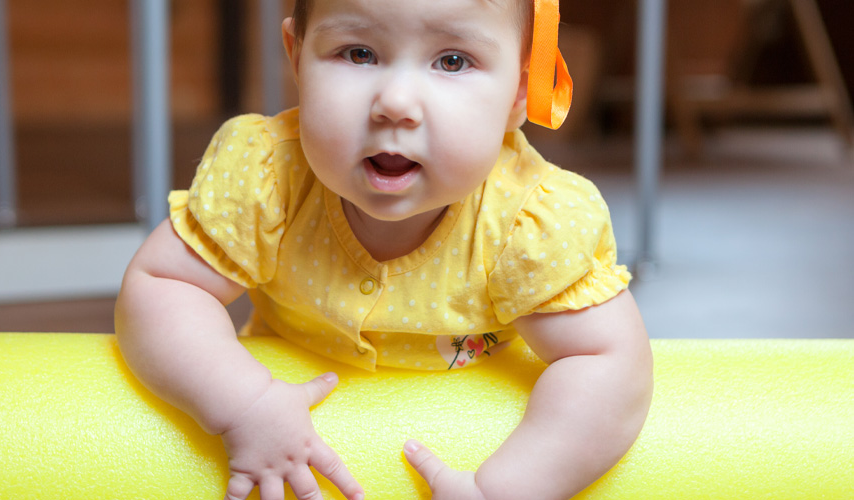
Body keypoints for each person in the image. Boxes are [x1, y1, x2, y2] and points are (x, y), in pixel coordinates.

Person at [115, 0, 653, 498]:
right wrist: (243, 402)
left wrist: (506, 487)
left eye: (452, 61)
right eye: (359, 53)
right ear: (297, 58)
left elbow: (608, 360)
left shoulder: (528, 219)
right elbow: (163, 284)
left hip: (465, 418)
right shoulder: (268, 174)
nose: (395, 103)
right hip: (290, 408)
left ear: (520, 89)